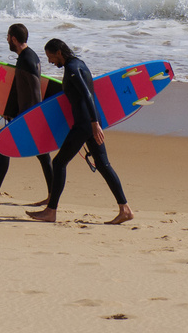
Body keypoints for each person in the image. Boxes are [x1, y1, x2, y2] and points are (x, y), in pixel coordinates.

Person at [26, 38, 133, 225]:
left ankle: (51, 211)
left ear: (59, 53)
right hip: (90, 122)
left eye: (51, 57)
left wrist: (93, 124)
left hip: (85, 124)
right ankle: (125, 209)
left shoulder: (73, 69)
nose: (50, 61)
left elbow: (87, 95)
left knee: (59, 163)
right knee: (103, 164)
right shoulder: (79, 64)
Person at [0, 23, 53, 205]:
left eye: (8, 37)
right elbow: (25, 89)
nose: (7, 40)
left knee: (4, 146)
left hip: (29, 116)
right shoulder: (30, 56)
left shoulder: (26, 60)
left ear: (14, 39)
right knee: (43, 155)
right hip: (32, 114)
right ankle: (51, 197)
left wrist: (25, 115)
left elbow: (33, 90)